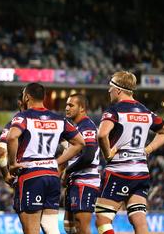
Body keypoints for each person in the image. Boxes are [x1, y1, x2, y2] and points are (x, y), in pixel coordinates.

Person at [95, 71, 164, 234]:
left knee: (103, 219)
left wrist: (107, 154)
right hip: (140, 172)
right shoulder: (145, 111)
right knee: (139, 220)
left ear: (118, 90)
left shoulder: (114, 110)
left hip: (119, 171)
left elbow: (102, 134)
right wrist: (148, 149)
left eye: (110, 88)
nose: (108, 91)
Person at [6, 83, 85, 234]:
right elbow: (80, 143)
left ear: (27, 97)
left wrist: (12, 164)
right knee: (51, 228)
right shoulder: (59, 119)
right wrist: (57, 162)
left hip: (31, 175)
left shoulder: (23, 117)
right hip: (51, 176)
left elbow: (12, 137)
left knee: (32, 230)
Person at [62, 94, 99, 234]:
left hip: (85, 180)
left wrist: (68, 170)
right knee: (70, 227)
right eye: (66, 104)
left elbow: (88, 156)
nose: (66, 108)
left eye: (71, 105)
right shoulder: (76, 127)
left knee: (81, 226)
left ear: (82, 108)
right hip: (76, 181)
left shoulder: (87, 126)